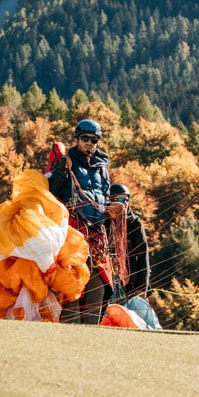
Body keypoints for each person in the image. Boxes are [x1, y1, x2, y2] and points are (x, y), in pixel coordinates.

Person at [47, 119, 112, 323]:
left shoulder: (102, 167)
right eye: (85, 139)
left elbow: (106, 194)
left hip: (96, 231)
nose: (89, 143)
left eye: (94, 140)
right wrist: (62, 171)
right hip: (74, 230)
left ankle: (90, 332)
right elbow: (53, 190)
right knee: (72, 283)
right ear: (77, 139)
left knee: (99, 283)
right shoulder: (68, 161)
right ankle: (69, 330)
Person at [107, 183, 151, 298]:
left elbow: (143, 256)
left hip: (131, 283)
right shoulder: (104, 222)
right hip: (109, 278)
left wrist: (142, 288)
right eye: (121, 200)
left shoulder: (134, 223)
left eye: (127, 199)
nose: (125, 203)